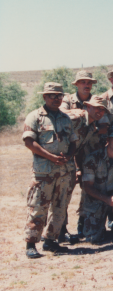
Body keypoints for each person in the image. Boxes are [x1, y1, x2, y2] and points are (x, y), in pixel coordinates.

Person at [22, 83, 78, 259]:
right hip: (44, 173)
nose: (56, 98)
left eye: (59, 96)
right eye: (52, 95)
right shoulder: (34, 117)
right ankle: (31, 243)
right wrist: (51, 157)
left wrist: (69, 155)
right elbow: (29, 142)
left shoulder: (65, 118)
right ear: (44, 97)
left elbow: (74, 141)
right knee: (38, 208)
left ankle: (51, 241)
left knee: (60, 207)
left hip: (64, 172)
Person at [65, 95, 110, 241]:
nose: (99, 111)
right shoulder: (75, 118)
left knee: (63, 198)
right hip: (57, 161)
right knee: (57, 198)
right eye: (97, 108)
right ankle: (53, 234)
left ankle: (59, 232)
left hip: (69, 162)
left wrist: (78, 169)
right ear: (88, 107)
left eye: (102, 109)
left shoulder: (91, 127)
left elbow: (78, 148)